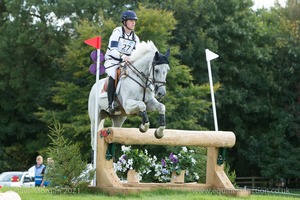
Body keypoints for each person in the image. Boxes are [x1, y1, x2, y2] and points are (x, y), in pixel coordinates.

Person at [104, 10, 140, 114]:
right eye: (131, 20)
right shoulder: (117, 32)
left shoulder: (136, 38)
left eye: (134, 21)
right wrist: (123, 56)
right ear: (124, 22)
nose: (133, 23)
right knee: (113, 74)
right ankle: (110, 103)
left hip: (126, 63)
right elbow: (113, 49)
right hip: (112, 60)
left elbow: (136, 53)